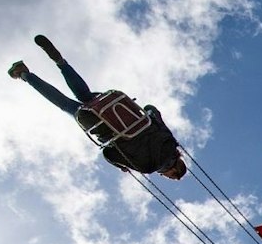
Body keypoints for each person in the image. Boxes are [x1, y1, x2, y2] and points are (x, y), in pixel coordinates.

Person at [9, 35, 186, 178]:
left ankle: (61, 62)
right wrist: (122, 164)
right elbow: (109, 154)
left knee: (84, 94)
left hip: (114, 107)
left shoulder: (170, 141)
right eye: (168, 176)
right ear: (174, 171)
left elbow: (151, 109)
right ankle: (24, 73)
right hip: (99, 124)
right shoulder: (148, 166)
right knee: (63, 103)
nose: (164, 176)